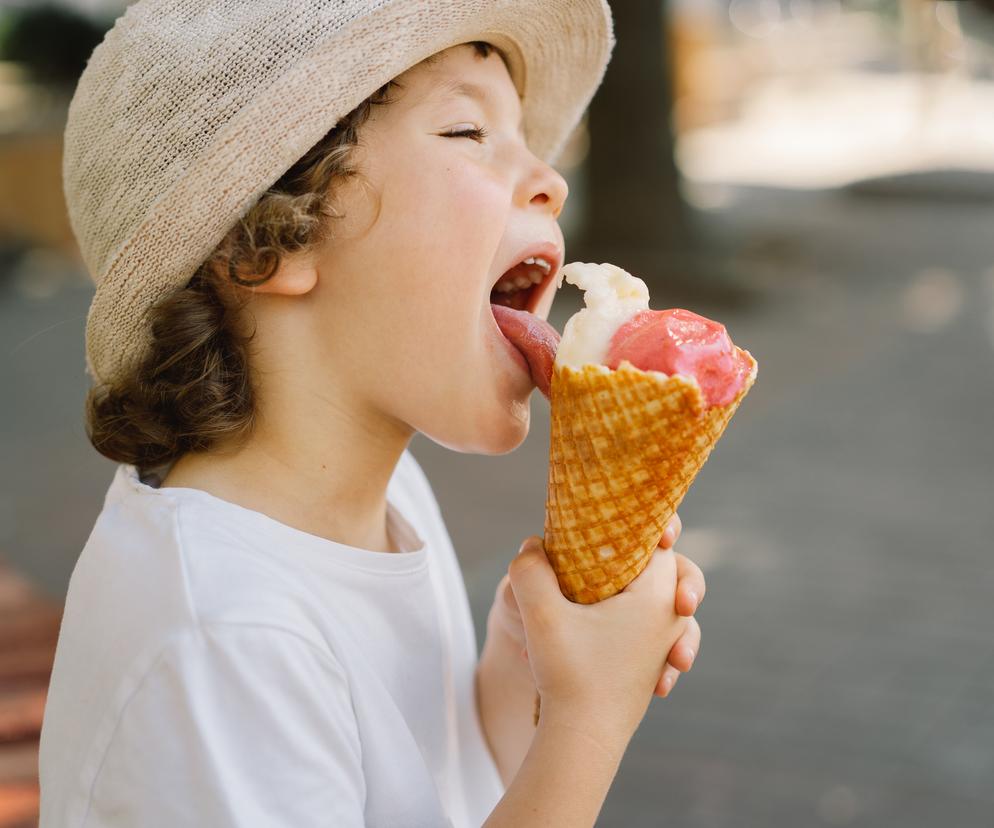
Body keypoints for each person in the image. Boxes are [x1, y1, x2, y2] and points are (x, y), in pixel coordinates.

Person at [39, 1, 706, 825]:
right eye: (467, 132)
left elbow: (447, 786)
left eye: (530, 140)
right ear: (266, 244)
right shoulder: (223, 635)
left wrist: (526, 668)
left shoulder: (385, 500)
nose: (552, 178)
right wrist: (590, 722)